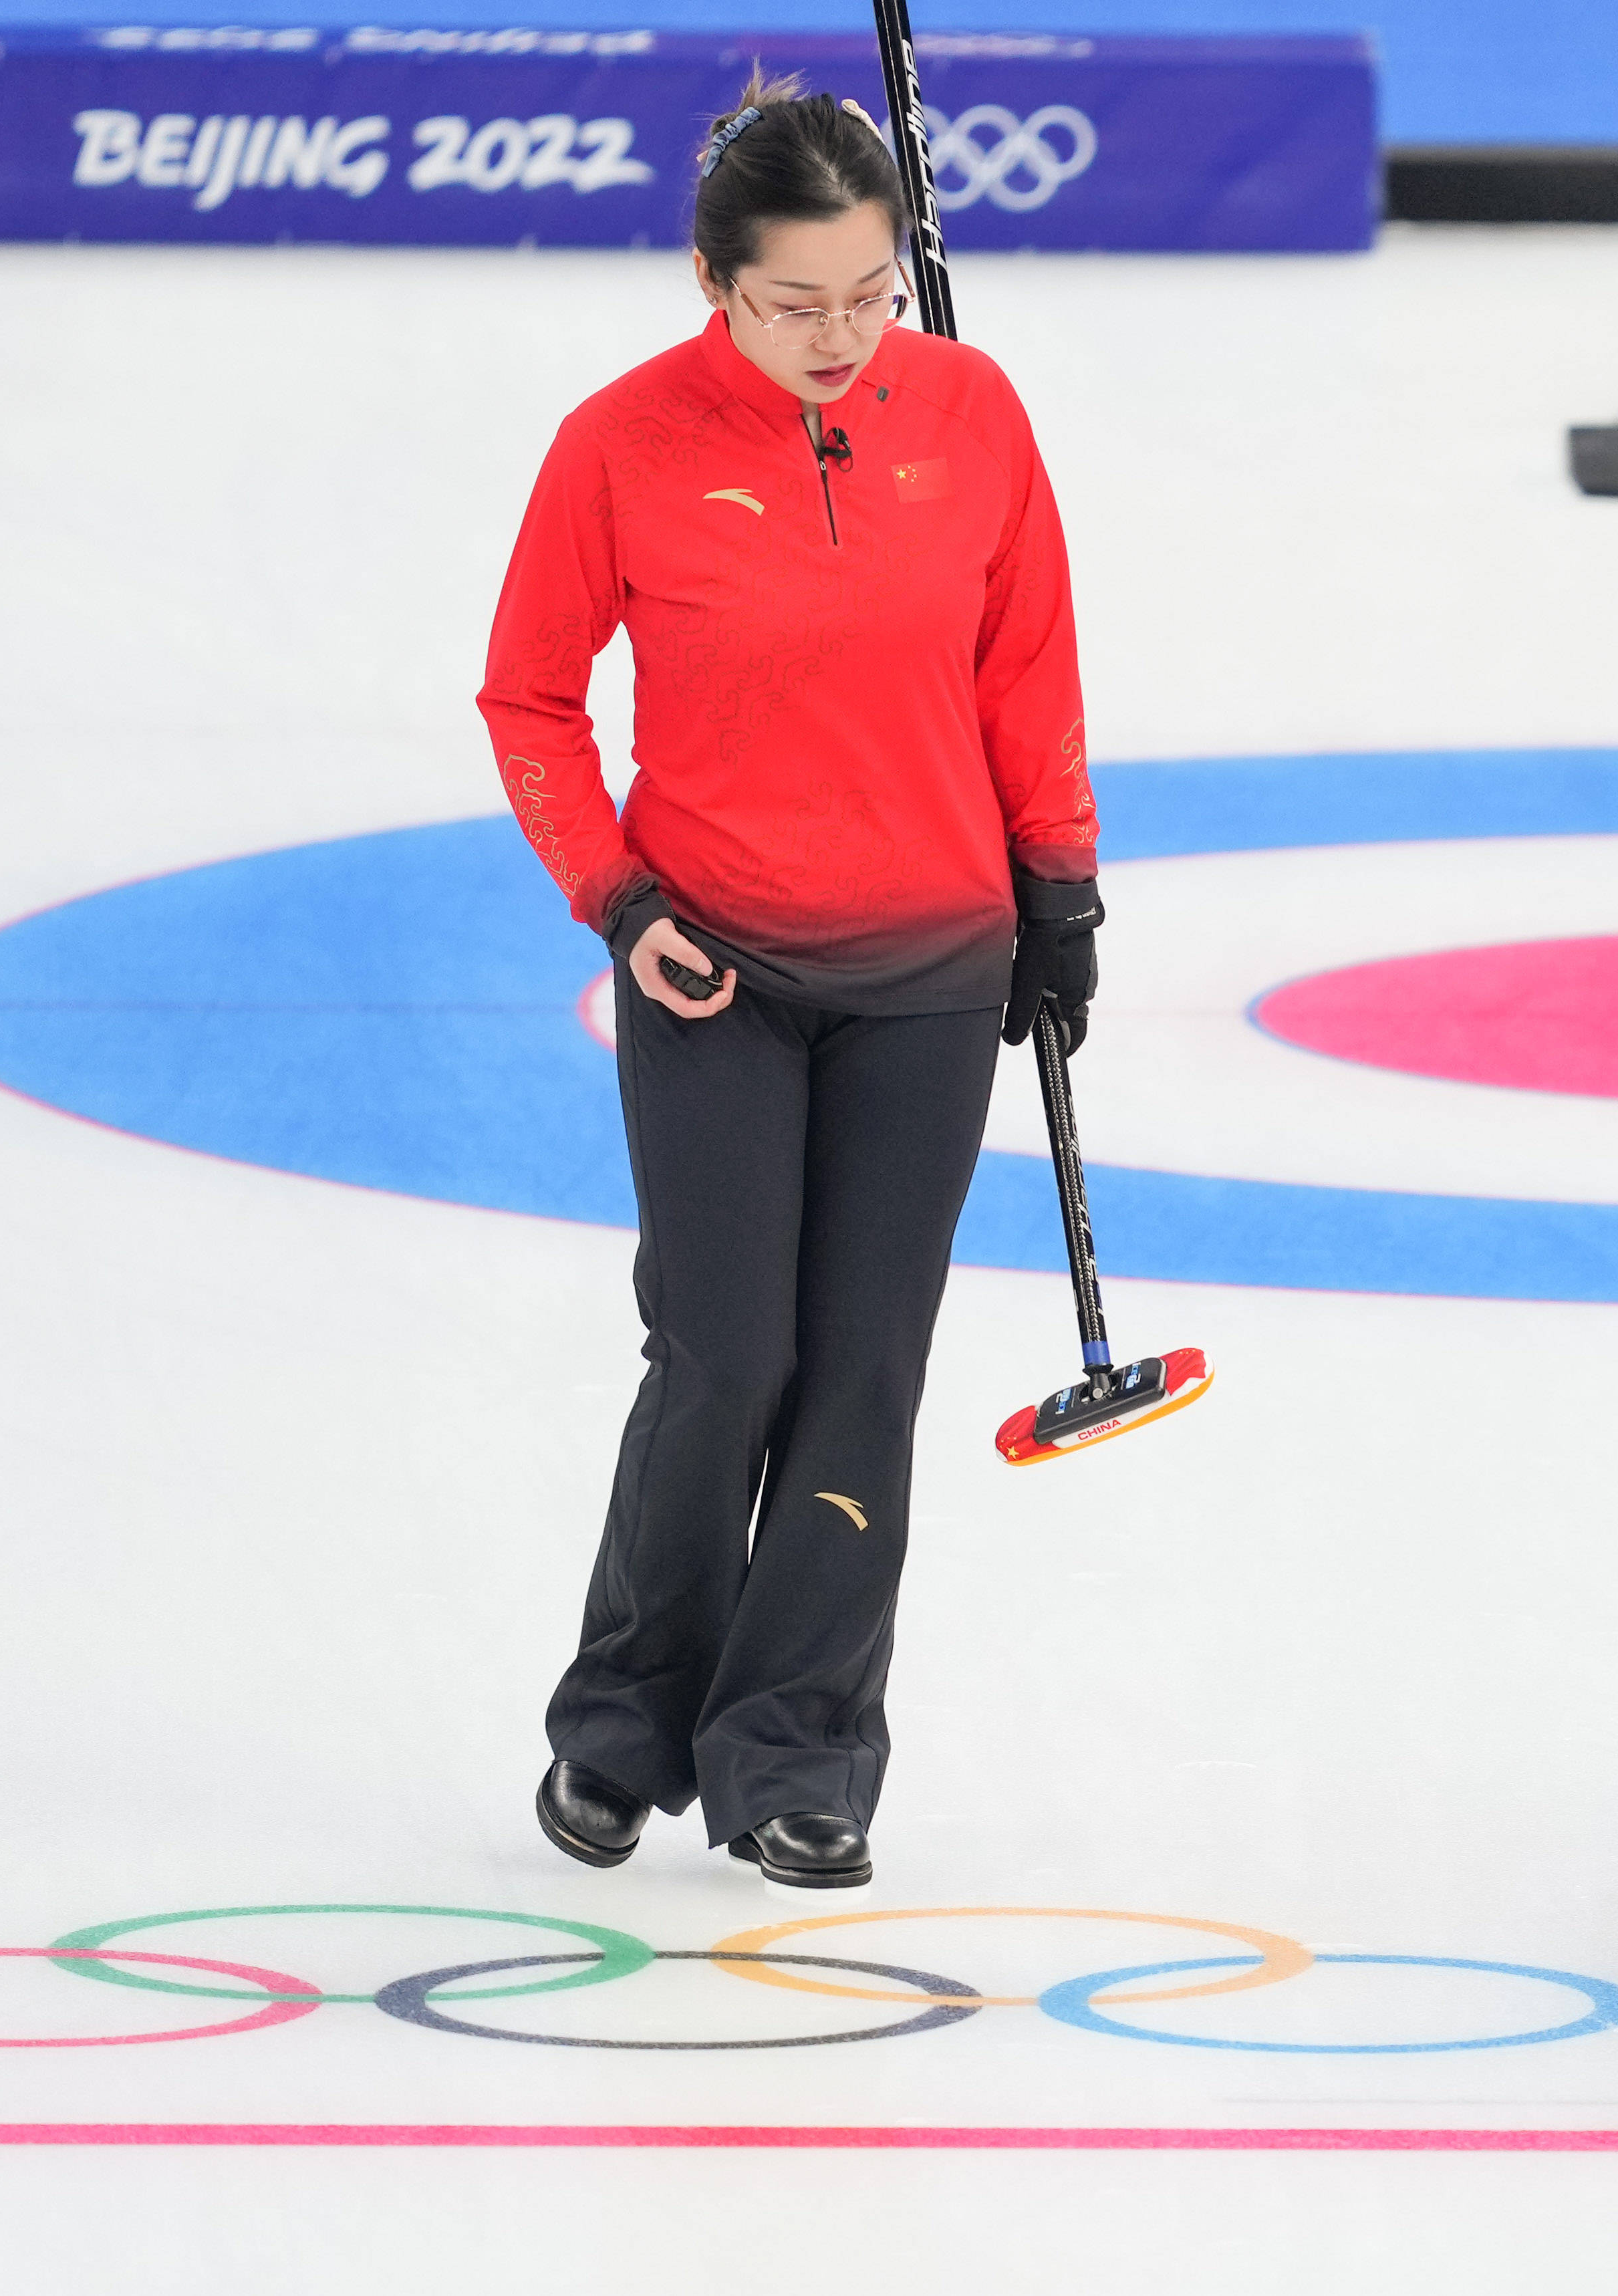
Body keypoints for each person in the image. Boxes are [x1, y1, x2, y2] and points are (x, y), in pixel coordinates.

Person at [477, 72, 1104, 1889]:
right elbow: (527, 697)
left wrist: (1057, 892)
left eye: (868, 294)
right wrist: (612, 892)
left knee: (858, 1371)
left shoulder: (972, 414)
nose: (838, 337)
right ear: (710, 278)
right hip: (713, 969)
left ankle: (796, 1753)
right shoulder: (620, 445)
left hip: (929, 969)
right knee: (722, 1351)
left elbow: (1025, 667)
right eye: (793, 301)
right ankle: (627, 1718)